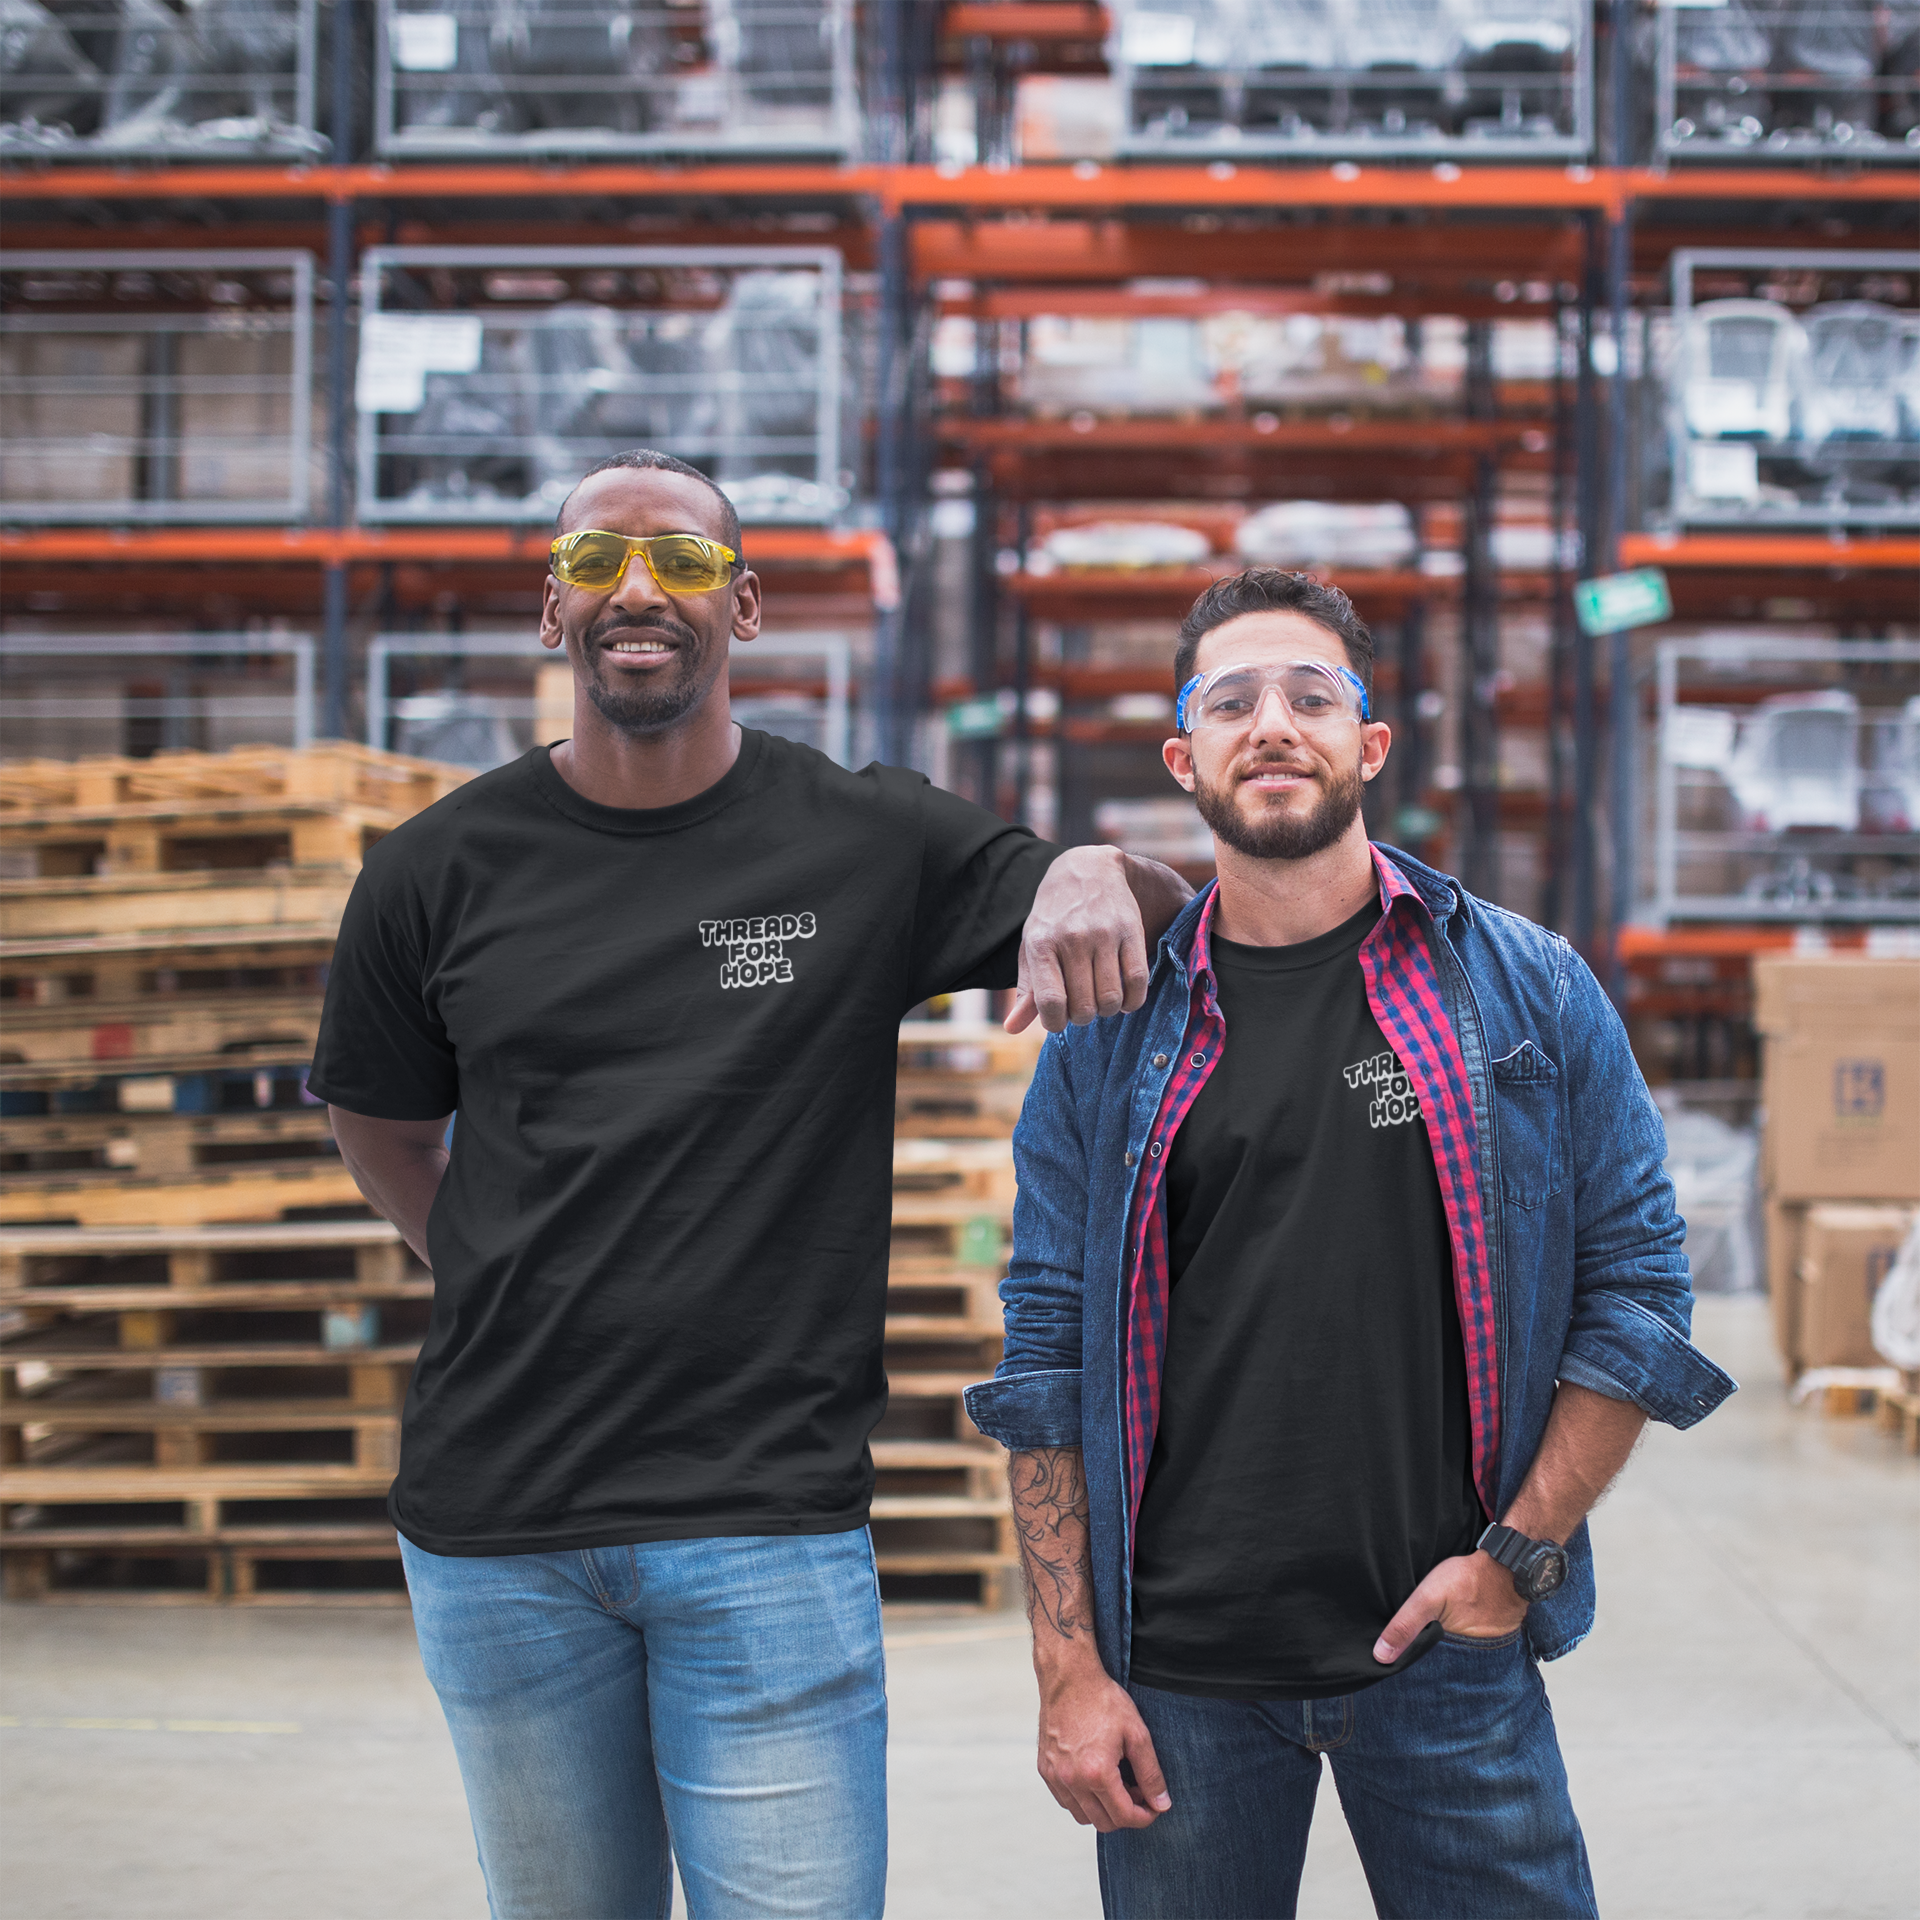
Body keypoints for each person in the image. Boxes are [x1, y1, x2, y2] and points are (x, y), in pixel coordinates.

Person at [309, 448, 1191, 1920]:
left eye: (681, 561)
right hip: (502, 1535)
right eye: (595, 561)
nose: (637, 590)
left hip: (765, 1529)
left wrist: (1103, 864)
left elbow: (1154, 910)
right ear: (552, 609)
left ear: (746, 605)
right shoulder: (434, 871)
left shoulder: (867, 840)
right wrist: (503, 1261)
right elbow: (381, 1120)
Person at [963, 567, 1738, 1920]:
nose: (1272, 724)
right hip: (1181, 1674)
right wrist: (1068, 1669)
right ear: (1185, 759)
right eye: (1231, 702)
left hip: (1445, 1651)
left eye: (1311, 696)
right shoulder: (1112, 1035)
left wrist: (1516, 1558)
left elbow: (1638, 1292)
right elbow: (1043, 1355)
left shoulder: (1527, 987)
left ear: (1369, 745)